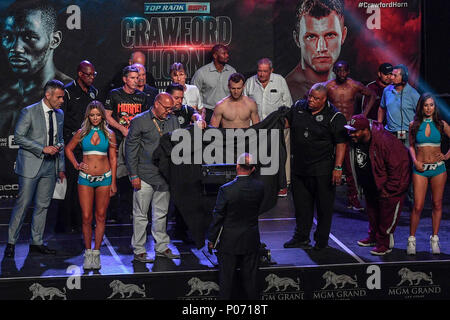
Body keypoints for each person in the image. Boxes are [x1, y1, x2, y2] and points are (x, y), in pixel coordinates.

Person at [0, 0, 72, 188]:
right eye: (8, 36)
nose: (16, 48)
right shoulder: (4, 98)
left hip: (54, 170)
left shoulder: (70, 91)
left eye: (29, 37)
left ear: (54, 40)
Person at [4, 80, 65, 259]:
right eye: (59, 97)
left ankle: (36, 242)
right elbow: (19, 137)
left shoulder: (59, 114)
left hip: (50, 166)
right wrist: (42, 148)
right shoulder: (29, 111)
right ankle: (10, 243)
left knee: (43, 206)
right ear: (48, 95)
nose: (62, 100)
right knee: (22, 206)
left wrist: (60, 164)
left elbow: (60, 138)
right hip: (31, 164)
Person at [283, 83, 347, 250]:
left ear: (324, 100)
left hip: (322, 169)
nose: (311, 100)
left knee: (324, 208)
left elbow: (341, 143)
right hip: (299, 168)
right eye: (310, 96)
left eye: (316, 98)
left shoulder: (334, 116)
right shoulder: (299, 107)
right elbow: (286, 123)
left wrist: (338, 168)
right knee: (302, 207)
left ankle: (321, 241)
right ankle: (301, 237)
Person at [125, 93, 180, 262]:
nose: (168, 111)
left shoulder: (173, 120)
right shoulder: (139, 121)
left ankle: (162, 247)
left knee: (161, 214)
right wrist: (133, 174)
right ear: (156, 103)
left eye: (171, 108)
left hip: (164, 176)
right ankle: (139, 249)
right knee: (141, 214)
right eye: (166, 107)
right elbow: (130, 150)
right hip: (144, 175)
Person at [346, 114, 411, 256]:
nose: (351, 134)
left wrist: (390, 189)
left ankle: (385, 244)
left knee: (387, 217)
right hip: (371, 185)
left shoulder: (384, 141)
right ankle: (374, 237)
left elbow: (399, 166)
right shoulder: (356, 140)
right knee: (373, 214)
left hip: (389, 188)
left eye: (354, 131)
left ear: (365, 130)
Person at [64, 101, 117, 269]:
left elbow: (113, 159)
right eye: (92, 115)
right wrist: (76, 164)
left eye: (98, 115)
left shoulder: (110, 134)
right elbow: (68, 149)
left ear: (102, 116)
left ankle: (96, 253)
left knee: (100, 216)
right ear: (88, 116)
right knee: (86, 217)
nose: (95, 118)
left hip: (105, 178)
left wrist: (114, 182)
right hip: (85, 178)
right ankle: (88, 253)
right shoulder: (81, 132)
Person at [207, 153, 265, 300]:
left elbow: (218, 215)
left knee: (226, 281)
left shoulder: (226, 189)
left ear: (237, 166)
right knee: (251, 282)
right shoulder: (259, 187)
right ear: (252, 169)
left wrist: (212, 239)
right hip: (251, 240)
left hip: (229, 242)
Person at [325, 61, 376, 211]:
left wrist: (363, 116)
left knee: (350, 164)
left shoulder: (354, 85)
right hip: (333, 126)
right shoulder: (328, 86)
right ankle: (325, 197)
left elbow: (372, 95)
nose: (341, 74)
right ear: (334, 71)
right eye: (339, 71)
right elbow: (310, 95)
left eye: (344, 71)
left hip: (349, 127)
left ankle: (353, 199)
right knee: (329, 162)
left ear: (348, 71)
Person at [55, 60, 99, 234]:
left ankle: (82, 220)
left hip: (89, 143)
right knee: (70, 185)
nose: (91, 78)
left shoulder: (94, 92)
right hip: (71, 143)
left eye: (93, 74)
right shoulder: (67, 92)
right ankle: (64, 223)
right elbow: (60, 118)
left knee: (86, 184)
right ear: (80, 74)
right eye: (88, 74)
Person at [407, 93, 450, 255]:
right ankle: (411, 240)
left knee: (437, 204)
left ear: (435, 107)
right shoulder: (414, 124)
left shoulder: (441, 124)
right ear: (421, 106)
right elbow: (411, 146)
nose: (429, 108)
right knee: (418, 206)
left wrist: (446, 156)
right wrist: (415, 161)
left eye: (431, 105)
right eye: (426, 105)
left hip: (438, 168)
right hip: (420, 169)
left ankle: (435, 240)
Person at [104, 65, 148, 222]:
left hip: (135, 142)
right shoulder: (115, 94)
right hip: (117, 139)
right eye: (132, 78)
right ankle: (112, 212)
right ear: (125, 79)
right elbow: (107, 116)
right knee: (115, 174)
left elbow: (145, 118)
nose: (136, 81)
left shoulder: (142, 97)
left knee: (133, 174)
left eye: (137, 78)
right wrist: (121, 128)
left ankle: (130, 211)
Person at [244, 58, 293, 197]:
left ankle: (285, 184)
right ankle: (258, 183)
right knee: (259, 155)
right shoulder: (250, 83)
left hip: (277, 124)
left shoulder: (280, 81)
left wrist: (286, 122)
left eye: (265, 71)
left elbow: (287, 103)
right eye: (259, 70)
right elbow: (245, 103)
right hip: (257, 126)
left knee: (282, 155)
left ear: (271, 70)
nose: (261, 74)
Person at [286, 0, 347, 101]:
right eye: (311, 36)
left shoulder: (350, 85)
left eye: (330, 35)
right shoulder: (287, 89)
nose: (321, 48)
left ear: (343, 35)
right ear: (297, 39)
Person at [191, 44, 237, 123]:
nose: (227, 55)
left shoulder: (232, 71)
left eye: (227, 53)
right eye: (224, 53)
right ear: (215, 55)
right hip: (209, 113)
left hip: (227, 112)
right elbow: (193, 93)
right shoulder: (202, 73)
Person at [378, 64, 420, 147]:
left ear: (404, 78)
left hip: (407, 135)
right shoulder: (387, 90)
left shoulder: (413, 94)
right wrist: (379, 125)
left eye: (395, 75)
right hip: (389, 133)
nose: (391, 77)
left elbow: (421, 113)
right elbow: (381, 108)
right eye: (391, 75)